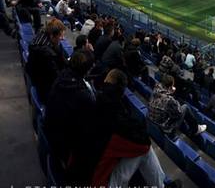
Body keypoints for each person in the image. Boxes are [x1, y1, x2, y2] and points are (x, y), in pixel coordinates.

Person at [90, 69, 179, 188]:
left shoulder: (97, 103)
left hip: (92, 172)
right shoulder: (113, 123)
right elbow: (142, 144)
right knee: (144, 148)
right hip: (100, 182)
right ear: (121, 90)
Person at [44, 51, 96, 184]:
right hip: (66, 151)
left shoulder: (61, 77)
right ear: (87, 69)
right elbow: (88, 132)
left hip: (53, 137)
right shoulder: (83, 96)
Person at [27, 18, 69, 101]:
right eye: (60, 36)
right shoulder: (46, 54)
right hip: (46, 90)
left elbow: (61, 57)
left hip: (42, 80)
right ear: (52, 35)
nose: (62, 38)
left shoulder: (43, 36)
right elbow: (56, 76)